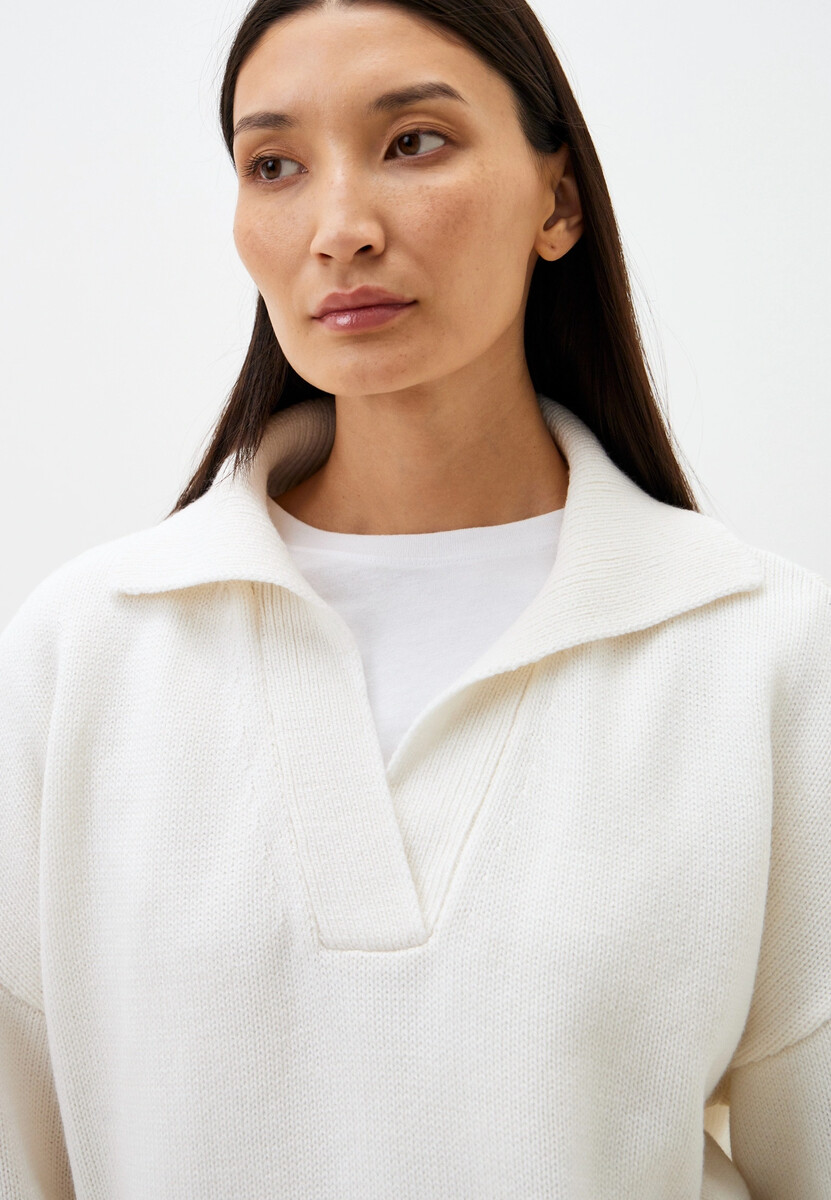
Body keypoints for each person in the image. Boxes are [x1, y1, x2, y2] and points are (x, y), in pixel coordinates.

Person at [1, 0, 828, 1196]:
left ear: (557, 202)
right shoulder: (83, 654)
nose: (340, 229)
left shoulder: (764, 655)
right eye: (274, 165)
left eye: (413, 143)